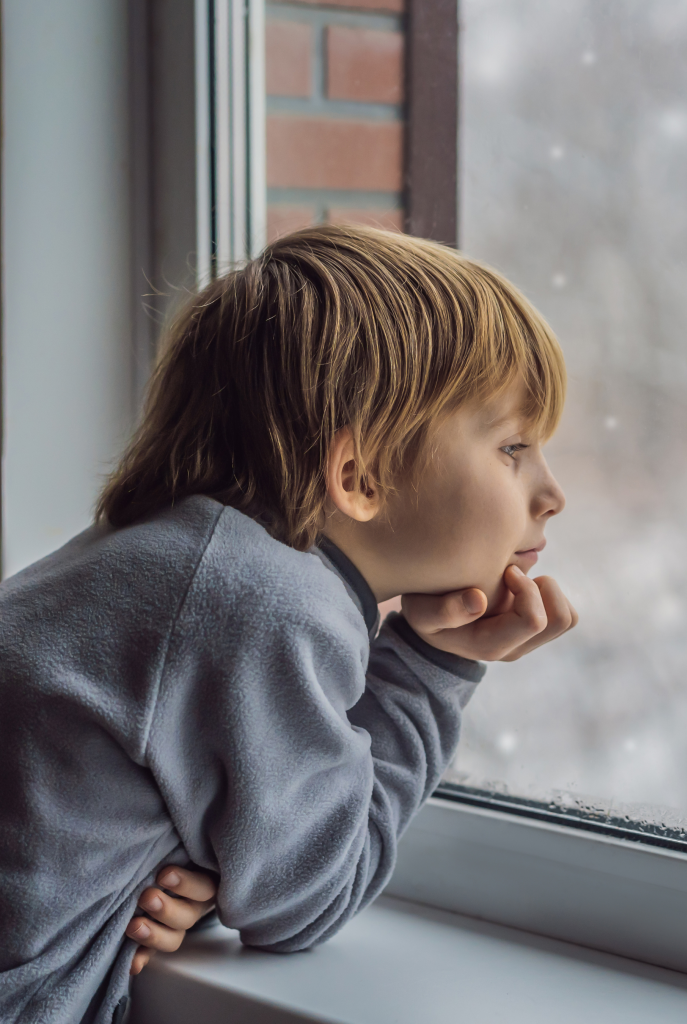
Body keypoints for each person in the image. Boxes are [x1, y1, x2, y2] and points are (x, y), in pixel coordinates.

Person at [0, 225, 577, 1023]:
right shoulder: (265, 605)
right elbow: (309, 901)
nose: (552, 493)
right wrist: (429, 671)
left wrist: (211, 869)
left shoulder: (164, 558)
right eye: (514, 446)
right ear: (358, 475)